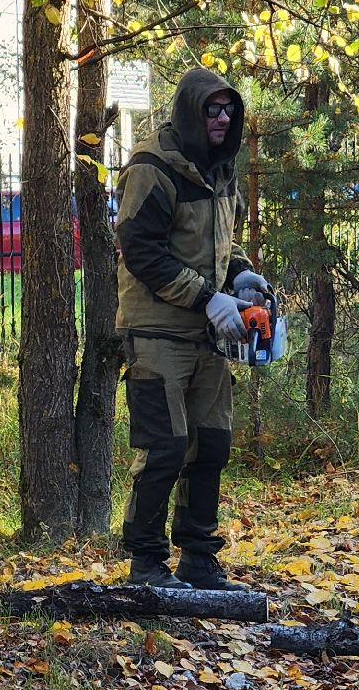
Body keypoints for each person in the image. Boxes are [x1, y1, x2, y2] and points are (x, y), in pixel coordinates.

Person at [114, 66, 267, 591]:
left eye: (230, 110)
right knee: (165, 446)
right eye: (213, 110)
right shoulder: (152, 167)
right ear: (190, 111)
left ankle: (199, 558)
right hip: (156, 332)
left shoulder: (222, 168)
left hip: (210, 332)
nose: (223, 118)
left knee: (211, 444)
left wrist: (242, 275)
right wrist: (207, 298)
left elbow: (221, 246)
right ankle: (146, 565)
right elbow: (141, 252)